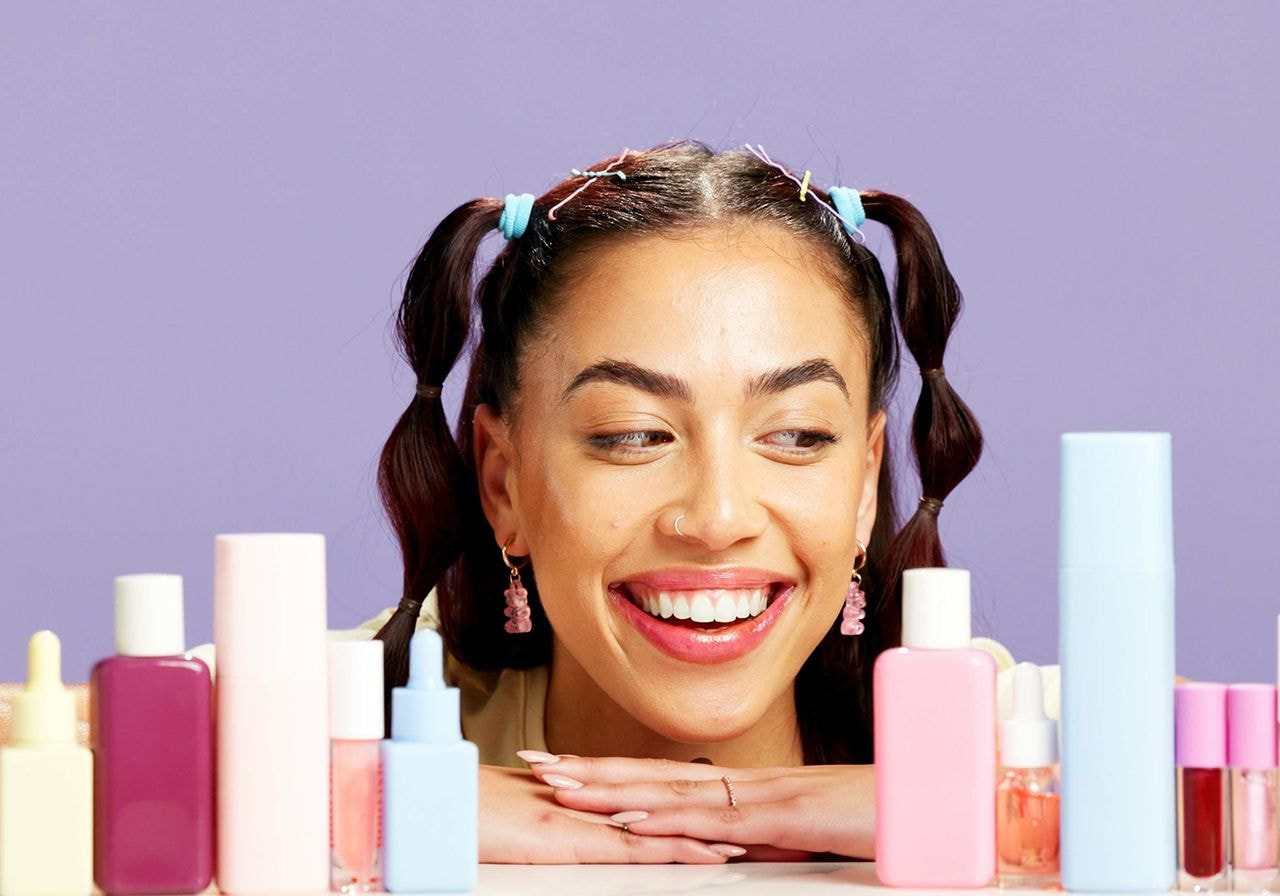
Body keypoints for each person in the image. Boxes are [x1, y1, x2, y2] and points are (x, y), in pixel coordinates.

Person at [1, 139, 1049, 865]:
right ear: (501, 484)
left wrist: (971, 808)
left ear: (865, 480)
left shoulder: (971, 719)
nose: (717, 513)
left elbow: (1189, 752)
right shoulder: (364, 702)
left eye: (796, 437)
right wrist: (385, 798)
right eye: (632, 434)